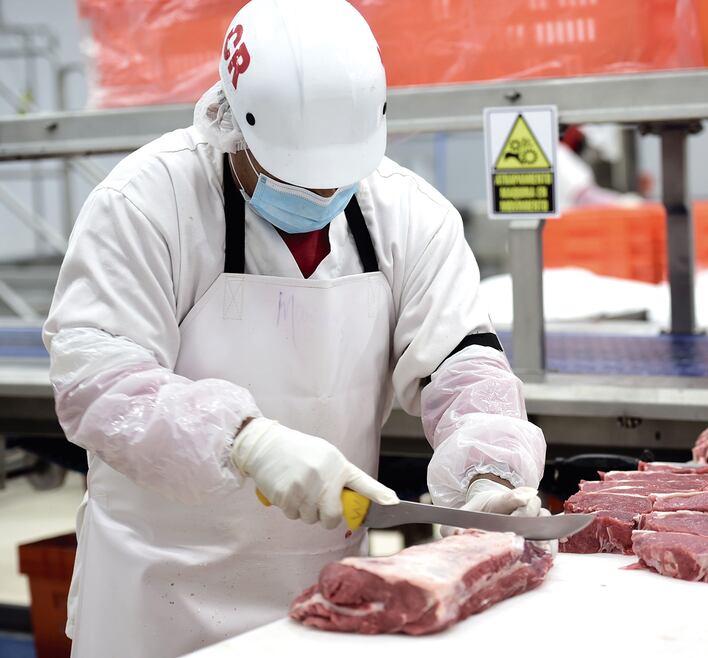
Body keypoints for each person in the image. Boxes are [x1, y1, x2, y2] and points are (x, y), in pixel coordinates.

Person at [43, 1, 546, 655]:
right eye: (290, 176)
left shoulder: (410, 215)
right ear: (231, 123)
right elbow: (98, 382)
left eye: (337, 180)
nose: (316, 199)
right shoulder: (145, 203)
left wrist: (490, 474)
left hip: (328, 600)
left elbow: (462, 363)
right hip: (154, 605)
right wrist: (247, 444)